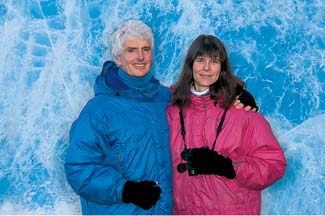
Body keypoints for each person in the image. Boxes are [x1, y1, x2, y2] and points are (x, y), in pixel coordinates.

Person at [64, 20, 257, 215]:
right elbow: (79, 168)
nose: (140, 56)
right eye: (131, 50)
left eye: (145, 49)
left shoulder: (167, 98)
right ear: (118, 58)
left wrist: (236, 95)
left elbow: (202, 99)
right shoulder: (97, 111)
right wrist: (126, 190)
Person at [167, 34, 286, 215]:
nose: (206, 68)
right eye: (200, 60)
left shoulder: (243, 113)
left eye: (214, 61)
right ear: (190, 65)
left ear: (222, 67)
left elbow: (273, 165)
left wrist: (229, 167)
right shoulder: (171, 109)